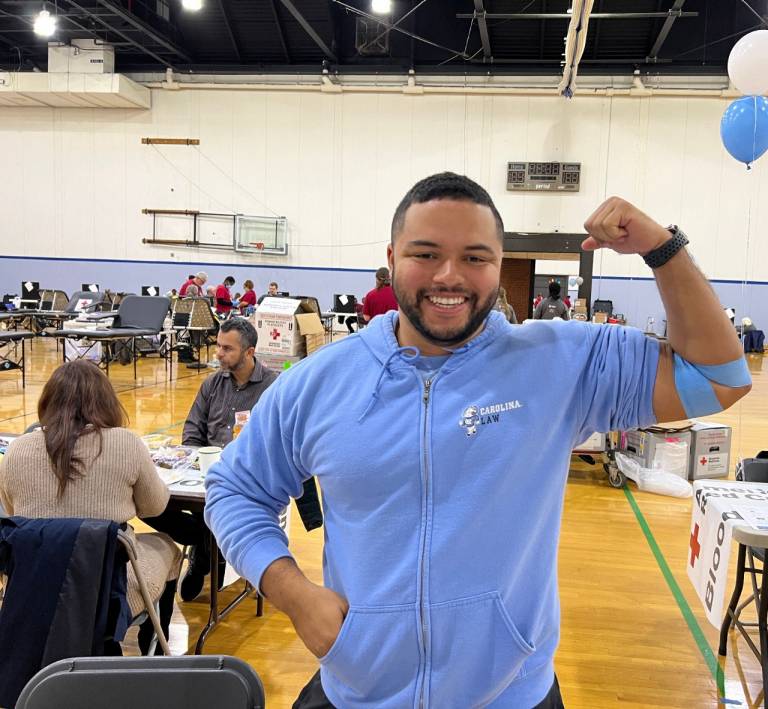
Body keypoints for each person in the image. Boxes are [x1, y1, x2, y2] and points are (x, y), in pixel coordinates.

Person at [204, 172, 750, 708]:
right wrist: (295, 595)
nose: (449, 275)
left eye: (474, 257)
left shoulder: (558, 362)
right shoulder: (320, 382)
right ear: (391, 258)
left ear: (498, 265)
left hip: (511, 692)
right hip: (357, 690)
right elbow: (235, 489)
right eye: (425, 254)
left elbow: (720, 377)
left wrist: (664, 248)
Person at [0, 360, 182, 655]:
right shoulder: (126, 444)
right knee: (166, 545)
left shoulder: (17, 449)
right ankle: (155, 648)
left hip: (33, 588)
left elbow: (13, 512)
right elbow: (155, 506)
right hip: (109, 588)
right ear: (105, 401)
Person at [164, 319, 321, 601]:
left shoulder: (275, 387)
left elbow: (291, 441)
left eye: (227, 348)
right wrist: (193, 457)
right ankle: (205, 544)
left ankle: (207, 553)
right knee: (155, 504)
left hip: (253, 476)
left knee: (224, 506)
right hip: (206, 473)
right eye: (218, 346)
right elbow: (192, 428)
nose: (218, 353)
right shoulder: (212, 384)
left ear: (249, 352)